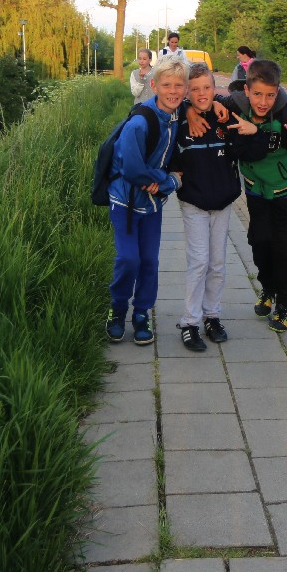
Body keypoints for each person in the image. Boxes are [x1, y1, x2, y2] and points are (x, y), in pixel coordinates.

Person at [170, 63, 257, 351]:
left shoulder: (224, 116)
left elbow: (244, 142)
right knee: (199, 262)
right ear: (186, 92)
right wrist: (187, 110)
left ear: (214, 88)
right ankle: (189, 322)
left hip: (222, 203)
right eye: (194, 89)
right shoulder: (180, 122)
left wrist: (249, 129)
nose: (202, 93)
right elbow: (163, 105)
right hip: (194, 203)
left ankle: (212, 316)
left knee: (217, 263)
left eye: (207, 87)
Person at [225, 58, 287, 333]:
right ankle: (267, 289)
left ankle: (284, 304)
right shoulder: (236, 107)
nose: (263, 102)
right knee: (260, 241)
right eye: (257, 94)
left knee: (284, 247)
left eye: (270, 95)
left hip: (284, 190)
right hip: (255, 189)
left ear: (277, 92)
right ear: (247, 90)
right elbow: (206, 103)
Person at [106, 54, 189, 345]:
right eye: (166, 85)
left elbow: (210, 101)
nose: (173, 91)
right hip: (125, 202)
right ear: (154, 86)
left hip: (152, 205)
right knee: (128, 258)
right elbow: (131, 169)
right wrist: (169, 181)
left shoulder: (177, 115)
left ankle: (141, 313)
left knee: (149, 262)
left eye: (179, 86)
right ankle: (118, 310)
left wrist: (158, 182)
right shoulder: (140, 122)